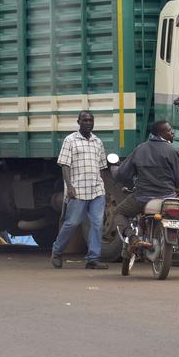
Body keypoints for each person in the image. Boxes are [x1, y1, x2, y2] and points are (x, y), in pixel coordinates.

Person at [113, 120, 179, 277]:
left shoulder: (140, 149)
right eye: (169, 131)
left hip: (142, 198)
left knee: (119, 212)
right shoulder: (174, 151)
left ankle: (132, 238)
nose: (172, 133)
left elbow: (122, 174)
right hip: (168, 199)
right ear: (161, 133)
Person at [51, 111, 109, 270]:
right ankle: (57, 251)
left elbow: (103, 167)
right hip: (78, 190)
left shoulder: (98, 141)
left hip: (97, 190)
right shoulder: (70, 140)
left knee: (97, 224)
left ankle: (93, 259)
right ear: (78, 122)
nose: (88, 123)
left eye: (91, 120)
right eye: (85, 120)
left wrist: (103, 186)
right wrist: (69, 187)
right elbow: (65, 165)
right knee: (72, 223)